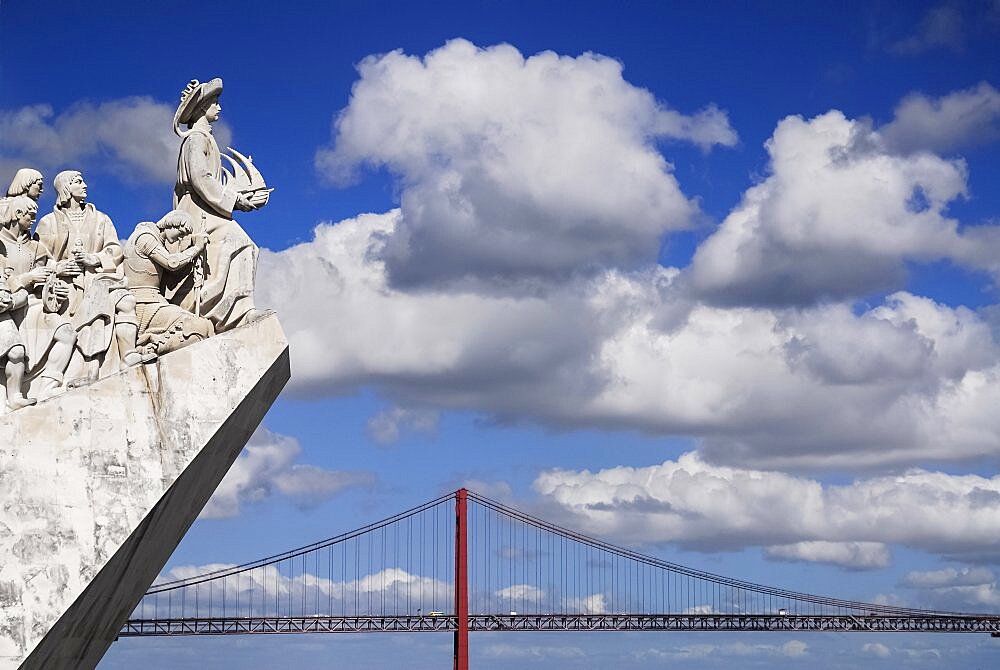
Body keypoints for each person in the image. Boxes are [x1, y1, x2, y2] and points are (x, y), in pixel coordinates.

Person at [167, 77, 265, 333]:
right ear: (203, 108)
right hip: (197, 211)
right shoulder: (196, 139)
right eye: (215, 103)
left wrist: (242, 194)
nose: (219, 108)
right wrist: (236, 201)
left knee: (243, 245)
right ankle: (231, 313)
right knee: (240, 243)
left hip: (207, 206)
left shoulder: (203, 138)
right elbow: (201, 179)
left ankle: (236, 309)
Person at [34, 170, 144, 381]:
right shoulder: (48, 222)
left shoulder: (100, 219)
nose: (85, 185)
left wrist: (96, 259)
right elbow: (38, 257)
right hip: (66, 289)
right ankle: (86, 370)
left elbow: (115, 248)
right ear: (66, 188)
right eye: (78, 182)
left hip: (99, 280)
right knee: (90, 310)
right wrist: (59, 267)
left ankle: (127, 354)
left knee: (125, 301)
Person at [0, 195, 77, 398]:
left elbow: (51, 272)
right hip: (7, 309)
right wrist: (28, 277)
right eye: (30, 215)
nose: (34, 220)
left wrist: (56, 288)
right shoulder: (0, 245)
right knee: (15, 353)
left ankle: (48, 387)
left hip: (33, 306)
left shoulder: (36, 247)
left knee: (67, 333)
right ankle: (14, 395)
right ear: (17, 214)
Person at [123, 210, 213, 354]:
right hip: (144, 304)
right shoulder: (146, 237)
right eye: (181, 232)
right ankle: (149, 350)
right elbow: (172, 263)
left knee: (204, 326)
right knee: (198, 326)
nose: (180, 238)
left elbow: (171, 276)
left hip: (153, 302)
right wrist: (196, 248)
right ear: (172, 224)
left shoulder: (157, 241)